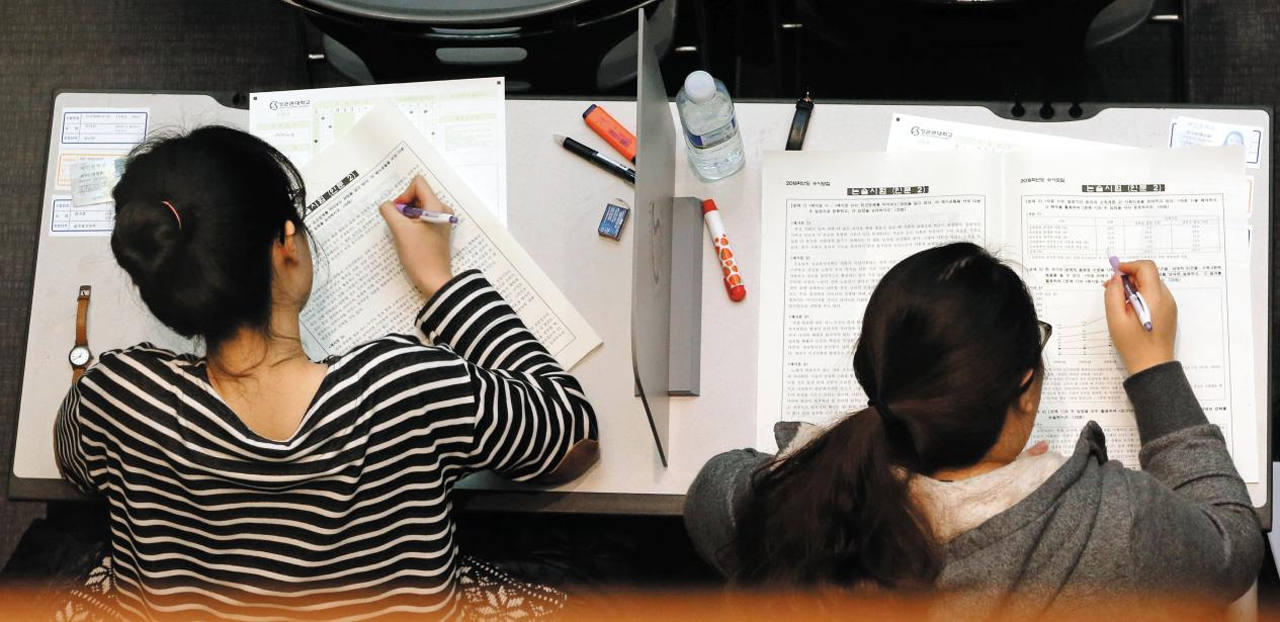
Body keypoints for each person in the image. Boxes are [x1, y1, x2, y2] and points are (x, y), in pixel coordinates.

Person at [53, 126, 599, 620]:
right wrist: (443, 284)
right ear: (286, 247)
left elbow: (76, 466)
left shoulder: (118, 397)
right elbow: (571, 433)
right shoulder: (401, 387)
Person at [684, 242, 1261, 616]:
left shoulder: (796, 501)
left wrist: (802, 460)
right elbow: (1234, 549)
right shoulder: (1115, 524)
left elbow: (712, 491)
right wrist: (1155, 368)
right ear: (1026, 391)